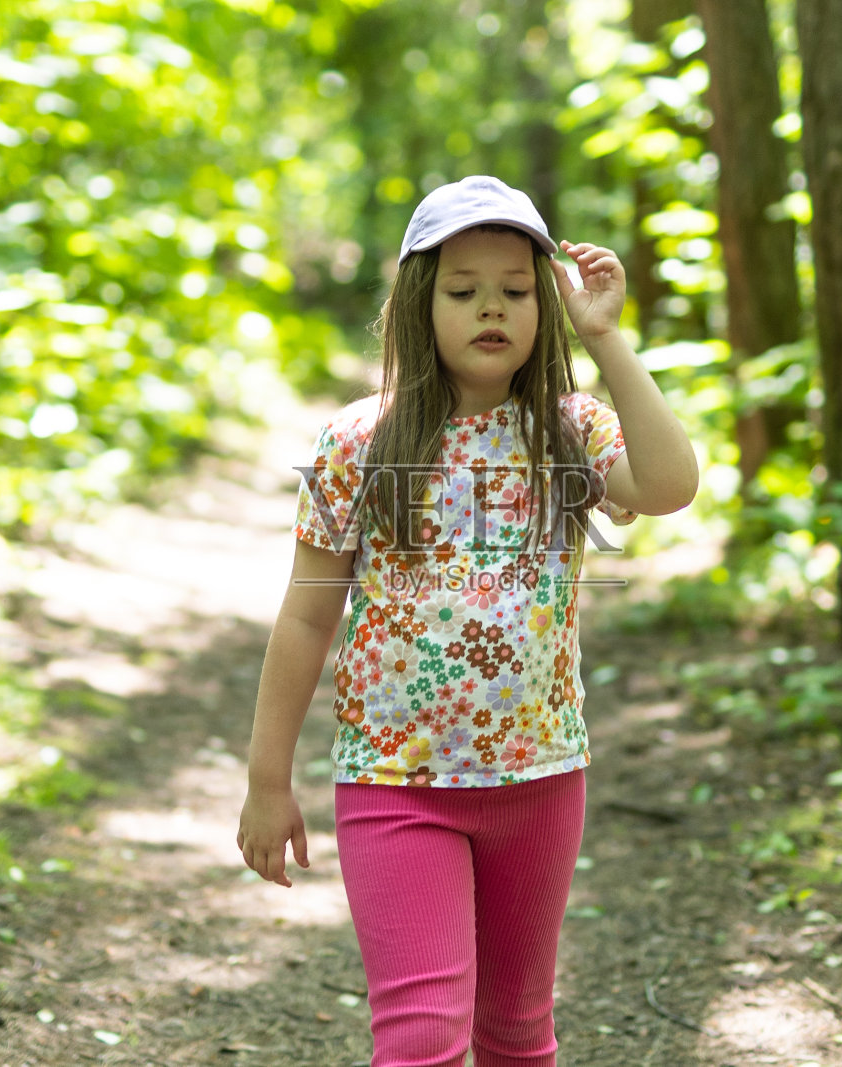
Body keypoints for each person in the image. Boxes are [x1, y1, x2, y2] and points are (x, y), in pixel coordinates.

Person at [236, 175, 698, 1067]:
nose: (492, 307)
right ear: (421, 302)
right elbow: (303, 619)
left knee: (517, 1032)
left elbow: (672, 483)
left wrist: (605, 337)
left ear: (544, 305)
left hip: (539, 776)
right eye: (464, 289)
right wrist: (267, 777)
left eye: (516, 290)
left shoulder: (569, 431)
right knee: (419, 1036)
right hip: (394, 782)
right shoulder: (359, 443)